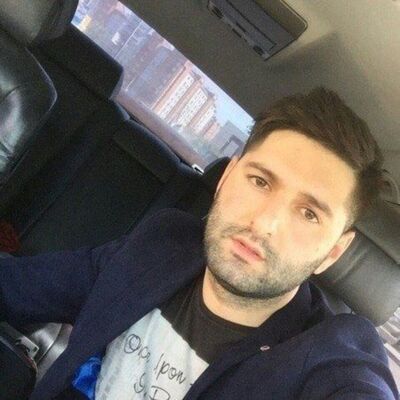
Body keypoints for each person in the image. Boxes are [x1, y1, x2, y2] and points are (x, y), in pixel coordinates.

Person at [0, 87, 398, 400]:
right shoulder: (162, 243)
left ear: (332, 252)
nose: (265, 223)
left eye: (309, 213)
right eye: (260, 181)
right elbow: (19, 286)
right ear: (226, 178)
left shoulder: (331, 359)